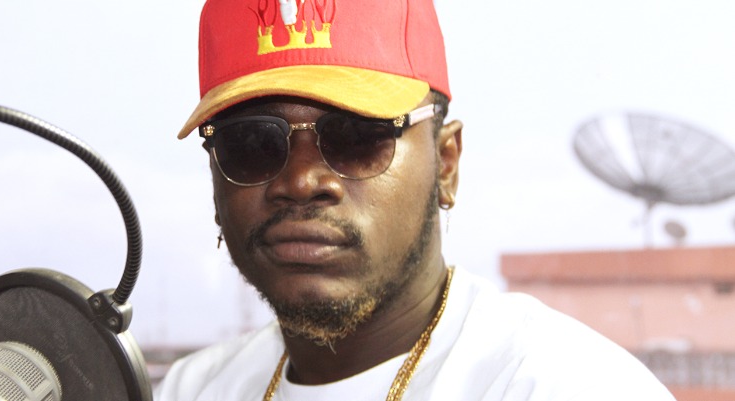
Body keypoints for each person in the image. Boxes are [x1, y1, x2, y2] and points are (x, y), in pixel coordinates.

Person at [156, 0, 676, 399]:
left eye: (357, 137)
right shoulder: (193, 389)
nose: (302, 180)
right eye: (251, 143)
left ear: (446, 163)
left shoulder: (564, 385)